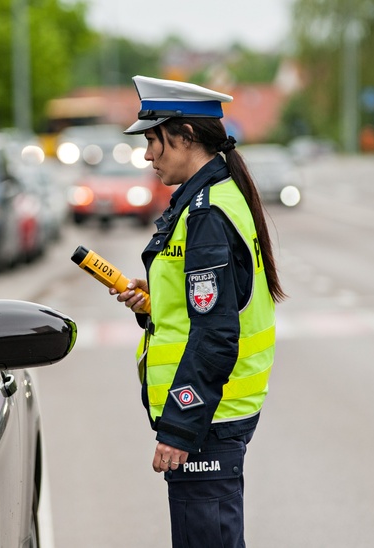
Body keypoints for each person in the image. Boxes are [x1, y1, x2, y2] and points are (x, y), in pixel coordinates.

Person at [110, 75, 286, 548]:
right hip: (215, 413)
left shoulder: (207, 212)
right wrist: (154, 305)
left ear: (185, 136)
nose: (148, 155)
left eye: (153, 141)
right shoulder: (210, 198)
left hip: (208, 419)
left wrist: (180, 431)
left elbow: (215, 334)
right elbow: (206, 308)